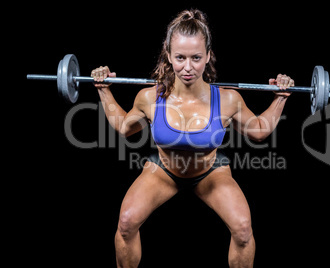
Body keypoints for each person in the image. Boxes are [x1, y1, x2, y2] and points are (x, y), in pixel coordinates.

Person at [91, 9, 294, 268]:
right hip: (163, 170)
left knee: (243, 230)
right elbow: (124, 127)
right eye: (181, 57)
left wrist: (280, 97)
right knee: (126, 223)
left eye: (196, 58)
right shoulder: (150, 98)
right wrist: (104, 90)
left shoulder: (227, 99)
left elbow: (259, 130)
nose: (188, 67)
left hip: (210, 172)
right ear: (169, 55)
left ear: (208, 55)